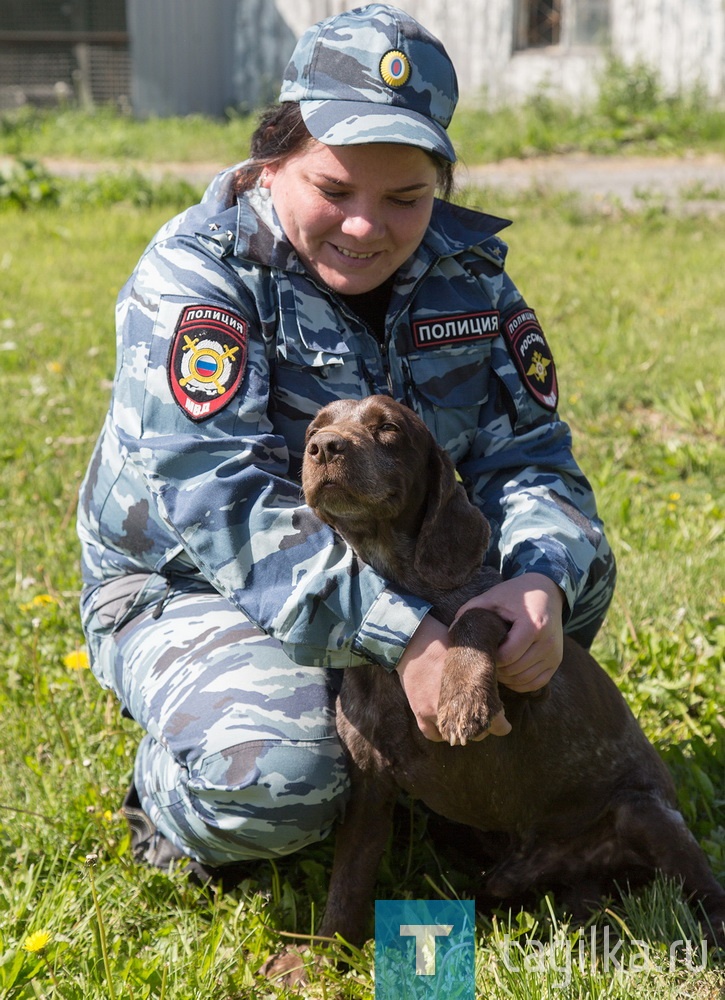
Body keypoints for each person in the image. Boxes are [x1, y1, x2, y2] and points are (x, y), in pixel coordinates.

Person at [77, 3, 616, 876]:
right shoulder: (198, 276)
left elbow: (531, 460)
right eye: (333, 191)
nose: (366, 227)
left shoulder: (466, 275)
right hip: (197, 583)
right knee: (282, 777)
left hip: (409, 553)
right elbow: (225, 506)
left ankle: (438, 769)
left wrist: (541, 579)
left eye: (405, 197)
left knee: (569, 595)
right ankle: (175, 788)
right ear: (271, 158)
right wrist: (405, 636)